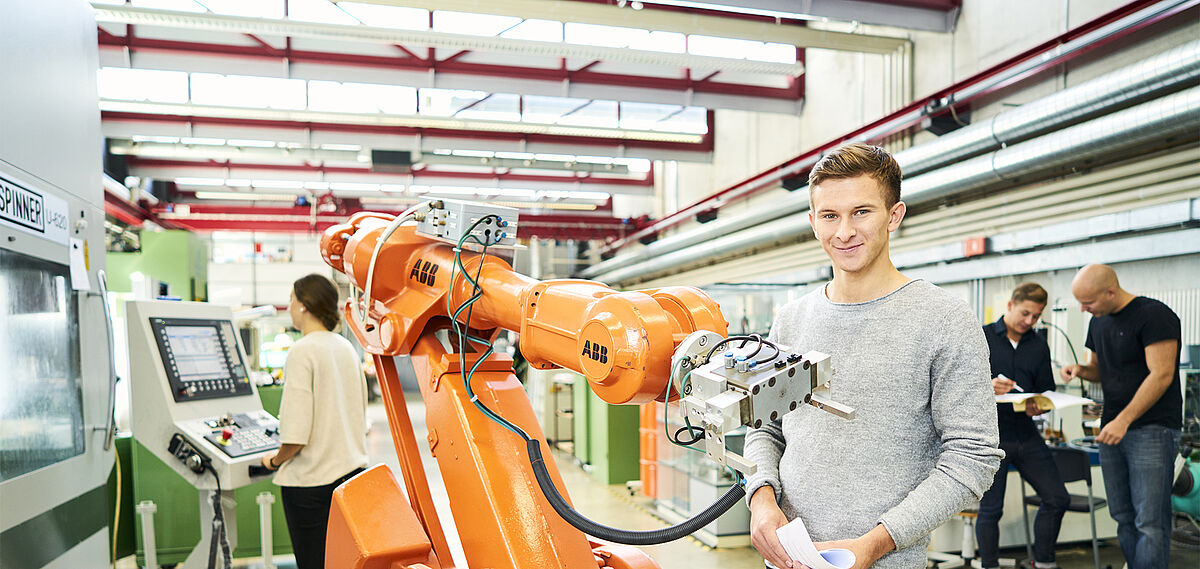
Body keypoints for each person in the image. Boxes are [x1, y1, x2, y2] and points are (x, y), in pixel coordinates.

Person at [744, 142, 1003, 569]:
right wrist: (762, 499)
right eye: (830, 215)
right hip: (788, 558)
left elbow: (973, 456)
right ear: (813, 222)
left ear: (894, 216)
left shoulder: (943, 318)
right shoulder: (791, 319)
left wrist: (878, 542)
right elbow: (765, 430)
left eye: (861, 212)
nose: (844, 231)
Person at [1061, 264, 1182, 569]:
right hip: (1113, 428)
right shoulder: (1099, 321)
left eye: (1088, 303)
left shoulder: (1154, 316)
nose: (1083, 309)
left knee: (1149, 522)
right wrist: (1080, 370)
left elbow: (1162, 374)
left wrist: (1124, 420)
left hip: (1153, 429)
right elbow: (1100, 372)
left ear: (1111, 291)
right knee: (1123, 517)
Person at [262, 274, 369, 569]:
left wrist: (273, 461)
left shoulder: (302, 351)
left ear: (305, 305)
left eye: (291, 300)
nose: (289, 306)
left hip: (311, 485)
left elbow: (295, 435)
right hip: (350, 477)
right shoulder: (345, 348)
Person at [977, 282, 1069, 569]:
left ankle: (1042, 563)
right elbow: (958, 386)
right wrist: (987, 386)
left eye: (1036, 317)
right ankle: (989, 565)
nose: (1029, 322)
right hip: (992, 436)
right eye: (1025, 313)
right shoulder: (981, 337)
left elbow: (1046, 390)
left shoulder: (1039, 345)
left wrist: (1039, 404)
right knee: (992, 509)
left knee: (1057, 498)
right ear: (1010, 305)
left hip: (1026, 434)